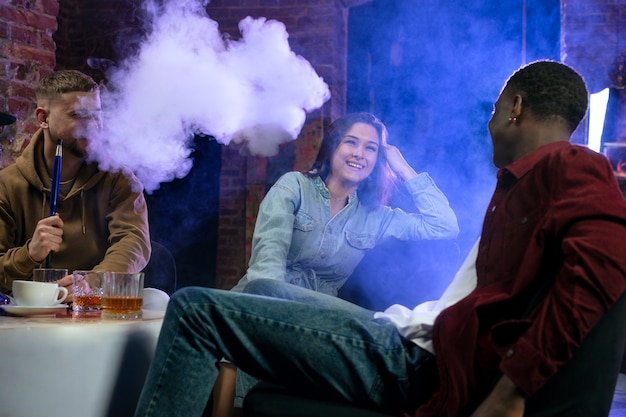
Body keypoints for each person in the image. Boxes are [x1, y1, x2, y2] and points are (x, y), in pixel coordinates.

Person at [134, 60, 626, 417]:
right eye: (352, 142)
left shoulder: (571, 165)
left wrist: (510, 391)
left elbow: (608, 258)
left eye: (495, 109)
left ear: (516, 107)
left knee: (195, 308)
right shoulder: (525, 184)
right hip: (397, 329)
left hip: (412, 352)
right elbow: (265, 275)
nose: (490, 122)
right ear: (331, 149)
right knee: (250, 292)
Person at [215, 111, 459, 415]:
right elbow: (267, 264)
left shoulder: (377, 216)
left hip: (320, 321)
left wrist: (401, 165)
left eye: (371, 148)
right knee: (240, 355)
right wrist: (273, 324)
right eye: (351, 143)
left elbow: (444, 226)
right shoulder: (293, 186)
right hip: (262, 302)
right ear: (332, 147)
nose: (360, 153)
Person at [0, 70, 151, 297]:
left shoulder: (118, 179)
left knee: (157, 299)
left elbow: (133, 244)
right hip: (29, 310)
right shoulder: (7, 184)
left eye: (96, 115)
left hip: (96, 306)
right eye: (79, 114)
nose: (93, 125)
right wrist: (29, 254)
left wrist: (90, 283)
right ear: (43, 118)